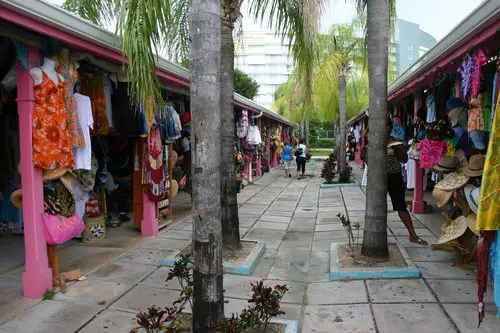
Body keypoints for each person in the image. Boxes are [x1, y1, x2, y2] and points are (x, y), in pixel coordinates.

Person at [385, 119, 428, 245]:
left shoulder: (395, 141)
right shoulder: (373, 141)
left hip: (394, 176)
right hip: (379, 178)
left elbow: (404, 160)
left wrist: (401, 149)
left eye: (388, 127)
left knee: (401, 206)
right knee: (378, 207)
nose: (386, 130)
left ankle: (413, 235)